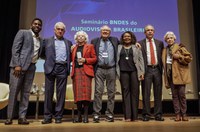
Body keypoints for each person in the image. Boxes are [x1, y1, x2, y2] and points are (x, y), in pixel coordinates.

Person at [5, 18, 43, 125]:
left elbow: (39, 53)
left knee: (26, 93)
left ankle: (22, 117)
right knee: (14, 92)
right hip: (18, 68)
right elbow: (15, 49)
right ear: (31, 25)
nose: (37, 26)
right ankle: (9, 117)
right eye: (35, 24)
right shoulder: (23, 33)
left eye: (39, 25)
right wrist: (17, 64)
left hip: (31, 68)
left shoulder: (40, 39)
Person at [41, 22, 72, 124]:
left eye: (62, 29)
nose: (60, 31)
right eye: (58, 29)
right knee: (48, 93)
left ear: (64, 31)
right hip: (51, 68)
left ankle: (58, 116)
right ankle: (47, 116)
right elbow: (42, 54)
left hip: (62, 68)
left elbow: (70, 57)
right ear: (54, 30)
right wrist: (50, 61)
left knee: (61, 94)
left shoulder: (68, 42)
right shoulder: (46, 40)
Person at [91, 25, 119, 123]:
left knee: (111, 93)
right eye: (103, 30)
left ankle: (109, 114)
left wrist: (136, 43)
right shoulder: (94, 41)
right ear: (100, 32)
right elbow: (88, 50)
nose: (105, 32)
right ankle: (96, 114)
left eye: (107, 30)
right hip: (99, 69)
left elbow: (125, 44)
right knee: (98, 92)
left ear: (110, 32)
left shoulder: (115, 40)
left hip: (111, 69)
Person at [162, 31, 192, 121]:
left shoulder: (180, 47)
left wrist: (179, 57)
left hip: (180, 75)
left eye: (171, 38)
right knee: (174, 96)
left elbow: (189, 58)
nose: (169, 39)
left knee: (182, 95)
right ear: (166, 40)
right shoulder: (164, 50)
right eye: (168, 38)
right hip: (170, 76)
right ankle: (177, 114)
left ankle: (184, 114)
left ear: (174, 39)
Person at [116, 31, 144, 121]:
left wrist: (142, 72)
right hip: (123, 72)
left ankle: (135, 116)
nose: (127, 38)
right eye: (125, 36)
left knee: (135, 94)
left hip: (134, 72)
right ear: (122, 38)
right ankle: (127, 116)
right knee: (125, 93)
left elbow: (141, 60)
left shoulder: (136, 47)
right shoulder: (119, 47)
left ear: (131, 37)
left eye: (128, 36)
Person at [138, 24, 164, 121]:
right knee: (146, 93)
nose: (150, 32)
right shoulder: (139, 43)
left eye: (151, 30)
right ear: (144, 32)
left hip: (157, 69)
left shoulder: (159, 43)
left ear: (154, 32)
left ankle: (158, 114)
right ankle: (146, 114)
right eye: (148, 30)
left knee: (158, 93)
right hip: (146, 70)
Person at [71, 31, 97, 123]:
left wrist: (85, 60)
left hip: (86, 72)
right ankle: (79, 116)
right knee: (78, 96)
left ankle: (86, 116)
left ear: (85, 38)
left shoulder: (90, 46)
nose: (81, 38)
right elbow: (71, 60)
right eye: (79, 36)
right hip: (76, 72)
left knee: (86, 95)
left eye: (82, 36)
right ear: (76, 38)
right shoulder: (74, 48)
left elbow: (94, 59)